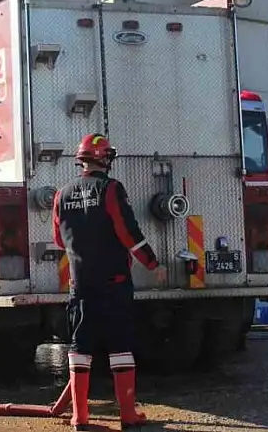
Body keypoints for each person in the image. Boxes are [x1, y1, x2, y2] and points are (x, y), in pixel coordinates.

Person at [53, 133, 166, 432]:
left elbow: (58, 238)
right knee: (120, 348)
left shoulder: (61, 194)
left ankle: (80, 417)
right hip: (113, 283)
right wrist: (153, 264)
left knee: (80, 347)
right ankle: (128, 415)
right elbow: (129, 232)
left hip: (80, 286)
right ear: (104, 158)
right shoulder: (111, 189)